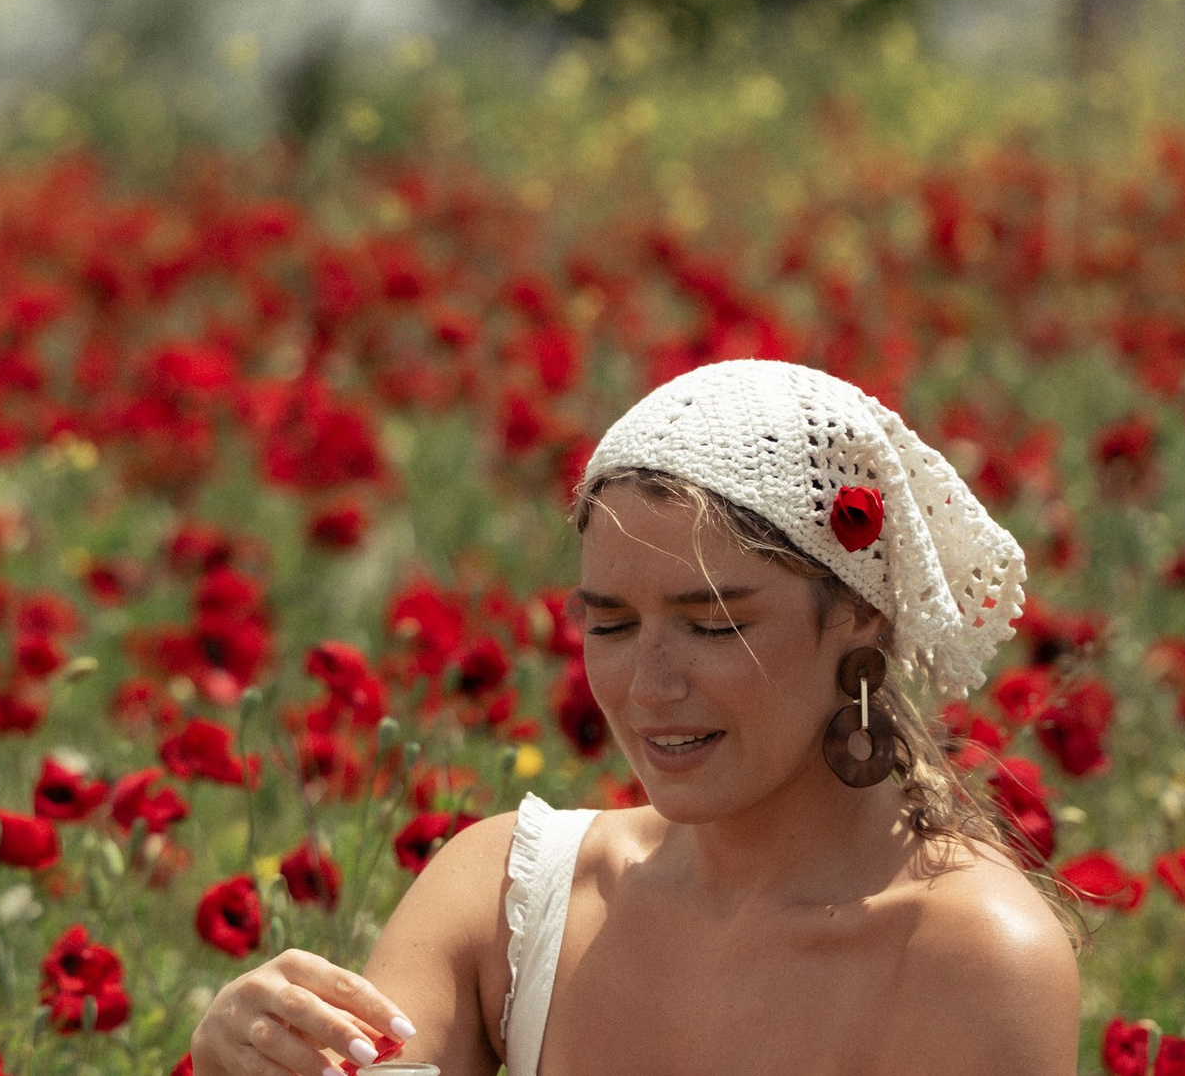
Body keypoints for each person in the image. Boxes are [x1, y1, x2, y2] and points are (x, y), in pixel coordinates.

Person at [189, 358, 1082, 1076]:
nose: (649, 683)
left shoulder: (969, 958)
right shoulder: (511, 898)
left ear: (859, 614)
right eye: (610, 623)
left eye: (712, 624)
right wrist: (254, 1051)